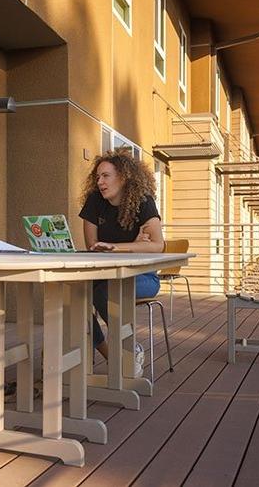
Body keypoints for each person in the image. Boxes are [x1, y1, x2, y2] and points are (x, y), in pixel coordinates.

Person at [79, 149, 165, 360]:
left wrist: (118, 247)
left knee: (103, 293)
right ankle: (111, 353)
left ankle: (128, 349)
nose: (100, 182)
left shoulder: (143, 202)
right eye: (97, 177)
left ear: (123, 177)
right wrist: (133, 244)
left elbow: (157, 245)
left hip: (143, 276)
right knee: (74, 293)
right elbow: (93, 247)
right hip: (105, 273)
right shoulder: (94, 201)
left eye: (106, 176)